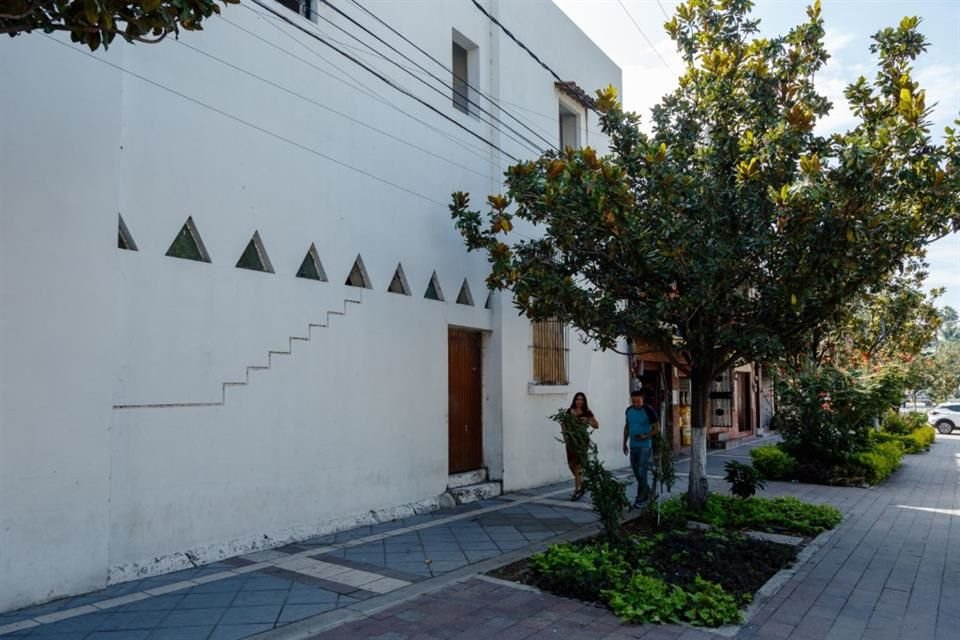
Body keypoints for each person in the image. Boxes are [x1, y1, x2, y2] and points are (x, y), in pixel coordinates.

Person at [623, 389, 660, 509]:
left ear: (642, 400)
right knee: (636, 472)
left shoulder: (649, 410)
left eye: (638, 402)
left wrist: (645, 436)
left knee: (641, 472)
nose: (635, 404)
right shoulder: (629, 411)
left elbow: (656, 428)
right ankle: (648, 492)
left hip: (645, 446)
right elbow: (627, 426)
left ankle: (641, 498)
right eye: (633, 401)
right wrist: (624, 443)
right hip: (633, 445)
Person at [565, 392, 599, 501]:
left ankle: (577, 490)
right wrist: (566, 436)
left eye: (581, 400)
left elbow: (596, 425)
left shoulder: (587, 412)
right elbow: (563, 424)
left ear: (584, 401)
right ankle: (582, 484)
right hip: (571, 441)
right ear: (574, 400)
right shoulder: (569, 411)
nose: (579, 401)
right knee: (571, 465)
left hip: (582, 441)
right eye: (577, 399)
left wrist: (588, 421)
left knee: (578, 466)